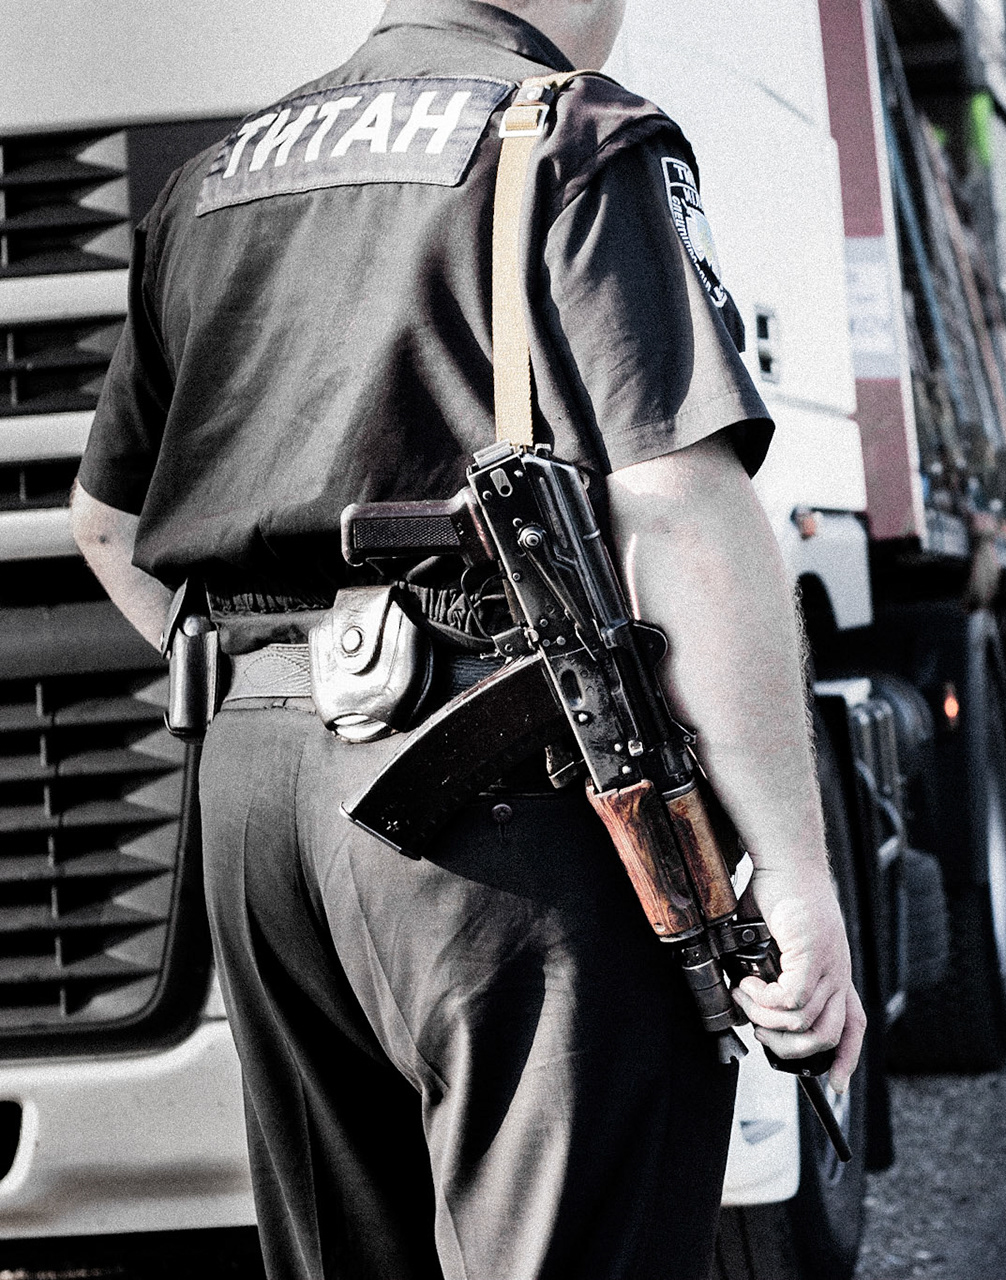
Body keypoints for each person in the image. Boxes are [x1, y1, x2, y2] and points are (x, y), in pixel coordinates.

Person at [68, 2, 863, 1276]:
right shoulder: (571, 136)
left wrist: (283, 684)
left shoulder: (213, 180)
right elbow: (678, 509)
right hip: (501, 788)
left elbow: (105, 525)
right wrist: (800, 878)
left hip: (254, 796)